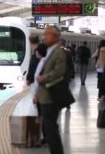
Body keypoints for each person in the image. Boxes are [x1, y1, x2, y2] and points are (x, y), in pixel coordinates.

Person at [36, 26, 66, 154]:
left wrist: (44, 78)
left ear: (55, 37)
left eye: (47, 34)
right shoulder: (51, 51)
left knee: (51, 130)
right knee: (50, 129)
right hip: (45, 96)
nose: (45, 36)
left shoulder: (59, 51)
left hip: (51, 96)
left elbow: (59, 71)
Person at [32, 43, 47, 144]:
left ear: (39, 52)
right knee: (43, 116)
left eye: (36, 51)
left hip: (42, 94)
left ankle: (46, 137)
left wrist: (36, 95)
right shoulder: (43, 61)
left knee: (43, 116)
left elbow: (39, 81)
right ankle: (45, 136)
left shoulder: (43, 62)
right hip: (42, 94)